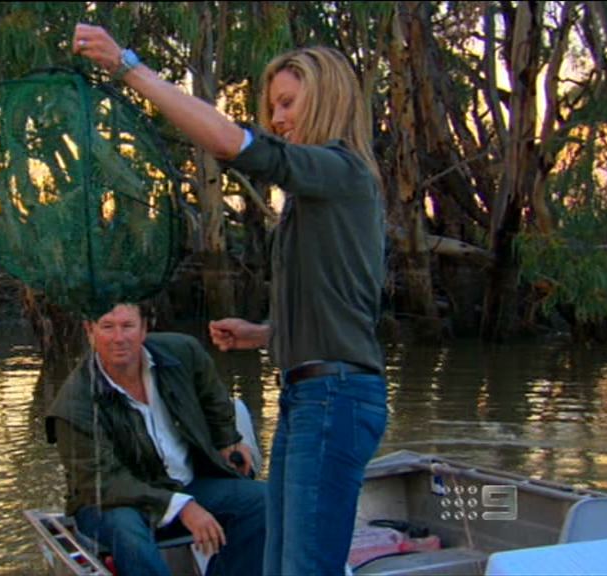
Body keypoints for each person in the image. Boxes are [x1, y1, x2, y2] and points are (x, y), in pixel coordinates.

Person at [72, 25, 388, 575]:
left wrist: (126, 66)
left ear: (327, 100)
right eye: (273, 107)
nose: (278, 119)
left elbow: (229, 142)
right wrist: (267, 334)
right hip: (310, 395)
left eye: (287, 103)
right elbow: (345, 304)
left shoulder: (341, 171)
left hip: (334, 399)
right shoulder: (321, 195)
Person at [46, 302, 266, 576]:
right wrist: (182, 507)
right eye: (107, 327)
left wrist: (227, 441)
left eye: (128, 326)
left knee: (263, 501)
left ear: (144, 329)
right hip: (113, 502)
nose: (118, 338)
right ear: (90, 331)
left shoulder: (183, 352)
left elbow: (214, 400)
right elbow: (101, 482)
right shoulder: (73, 403)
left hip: (186, 484)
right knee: (128, 532)